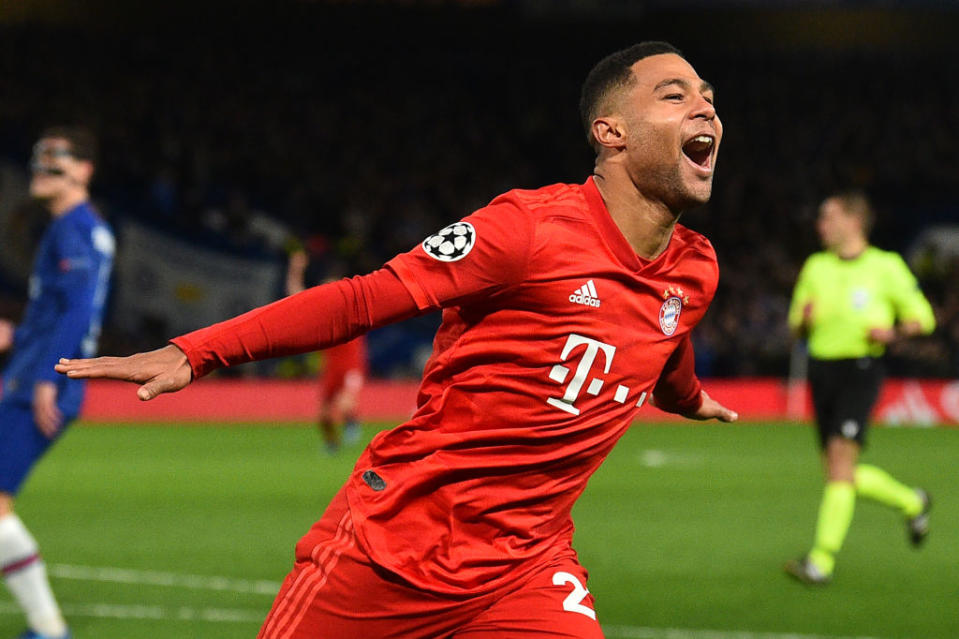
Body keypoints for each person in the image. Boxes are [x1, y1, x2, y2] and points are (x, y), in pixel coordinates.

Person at [57, 42, 738, 638]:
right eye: (675, 94)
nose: (705, 108)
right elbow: (361, 298)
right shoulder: (525, 230)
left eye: (707, 97)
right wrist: (196, 350)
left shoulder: (694, 268)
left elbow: (663, 334)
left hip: (525, 563)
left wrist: (686, 397)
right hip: (396, 546)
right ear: (609, 130)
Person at [784, 190, 936, 586]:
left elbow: (924, 318)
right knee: (839, 472)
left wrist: (895, 331)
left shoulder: (885, 267)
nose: (820, 226)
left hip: (861, 368)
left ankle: (820, 561)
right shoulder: (816, 266)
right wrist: (803, 321)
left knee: (839, 467)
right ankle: (912, 501)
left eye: (827, 217)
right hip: (821, 370)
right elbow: (794, 325)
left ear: (853, 222)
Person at [0, 127, 114, 639]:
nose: (41, 169)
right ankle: (46, 628)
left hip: (39, 385)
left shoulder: (75, 230)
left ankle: (48, 630)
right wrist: (17, 335)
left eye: (55, 159)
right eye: (38, 159)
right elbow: (65, 314)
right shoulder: (78, 229)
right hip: (34, 373)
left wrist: (50, 375)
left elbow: (78, 312)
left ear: (84, 169)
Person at [286, 246, 367, 453]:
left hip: (351, 365)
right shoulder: (322, 317)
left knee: (344, 405)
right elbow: (295, 297)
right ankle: (332, 444)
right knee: (323, 417)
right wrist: (295, 269)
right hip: (331, 368)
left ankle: (352, 423)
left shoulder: (352, 310)